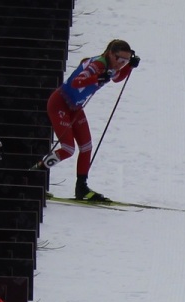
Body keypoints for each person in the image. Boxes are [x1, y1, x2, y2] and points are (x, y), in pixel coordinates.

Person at [42, 39, 137, 203]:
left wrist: (129, 67)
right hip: (60, 103)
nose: (121, 64)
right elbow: (76, 82)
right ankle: (37, 174)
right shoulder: (97, 65)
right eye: (120, 60)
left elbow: (117, 78)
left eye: (126, 61)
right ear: (110, 54)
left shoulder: (111, 66)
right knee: (68, 149)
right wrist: (97, 78)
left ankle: (82, 187)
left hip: (75, 108)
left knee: (86, 147)